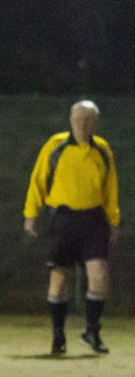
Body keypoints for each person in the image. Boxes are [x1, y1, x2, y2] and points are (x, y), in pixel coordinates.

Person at [23, 100, 120, 355]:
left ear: (95, 123)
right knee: (60, 278)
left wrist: (113, 220)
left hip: (94, 219)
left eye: (87, 120)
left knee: (99, 274)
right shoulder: (56, 145)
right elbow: (39, 179)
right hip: (63, 219)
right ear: (70, 120)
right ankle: (58, 336)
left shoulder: (102, 149)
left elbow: (110, 188)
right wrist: (31, 214)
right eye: (78, 119)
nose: (82, 124)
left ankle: (92, 331)